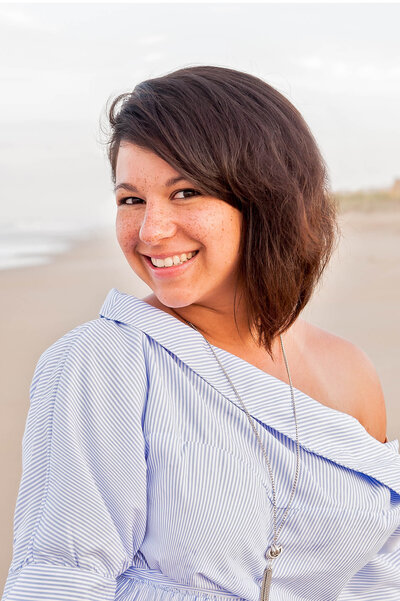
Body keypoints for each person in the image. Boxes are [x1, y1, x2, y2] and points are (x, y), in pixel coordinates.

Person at [2, 65, 400, 601]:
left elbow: (377, 576)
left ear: (266, 197)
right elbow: (60, 577)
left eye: (185, 192)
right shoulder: (104, 362)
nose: (150, 231)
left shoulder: (348, 373)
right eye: (131, 199)